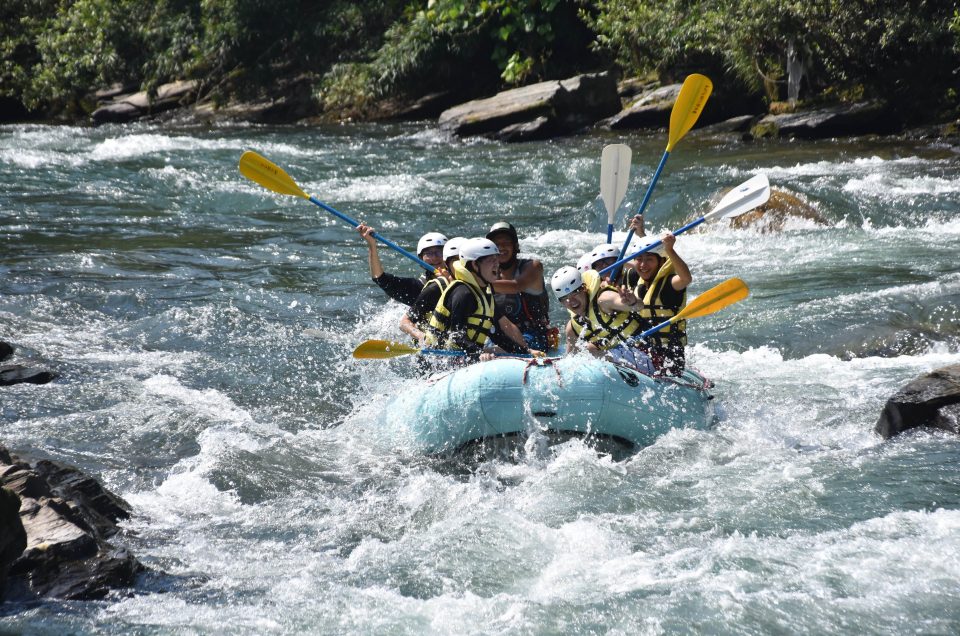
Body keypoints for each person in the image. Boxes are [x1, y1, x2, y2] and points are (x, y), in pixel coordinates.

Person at [426, 238, 542, 361]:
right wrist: (479, 352)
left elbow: (497, 335)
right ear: (475, 265)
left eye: (496, 259)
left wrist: (525, 352)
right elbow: (456, 336)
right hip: (439, 361)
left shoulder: (485, 293)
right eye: (491, 260)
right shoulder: (463, 293)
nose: (497, 264)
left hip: (462, 357)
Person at [551, 265, 654, 373]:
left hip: (645, 351)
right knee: (588, 351)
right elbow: (570, 359)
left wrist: (632, 302)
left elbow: (639, 306)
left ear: (584, 288)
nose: (571, 301)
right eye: (564, 298)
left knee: (590, 349)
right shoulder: (572, 328)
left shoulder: (603, 299)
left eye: (575, 293)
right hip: (625, 358)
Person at [626, 232, 692, 375]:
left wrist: (669, 249)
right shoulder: (636, 278)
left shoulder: (670, 284)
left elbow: (686, 278)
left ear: (662, 262)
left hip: (669, 355)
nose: (643, 265)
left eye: (649, 259)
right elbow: (627, 264)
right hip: (642, 350)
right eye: (639, 259)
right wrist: (641, 233)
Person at [485, 222, 553, 350]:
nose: (501, 248)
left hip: (534, 335)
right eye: (496, 245)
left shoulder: (533, 267)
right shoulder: (487, 275)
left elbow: (516, 286)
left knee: (501, 349)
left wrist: (478, 283)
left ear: (516, 246)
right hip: (501, 334)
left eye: (506, 243)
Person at [356, 224, 446, 306]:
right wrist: (372, 244)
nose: (434, 257)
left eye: (439, 252)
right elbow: (379, 278)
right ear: (420, 259)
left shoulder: (459, 279)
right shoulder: (418, 289)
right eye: (428, 253)